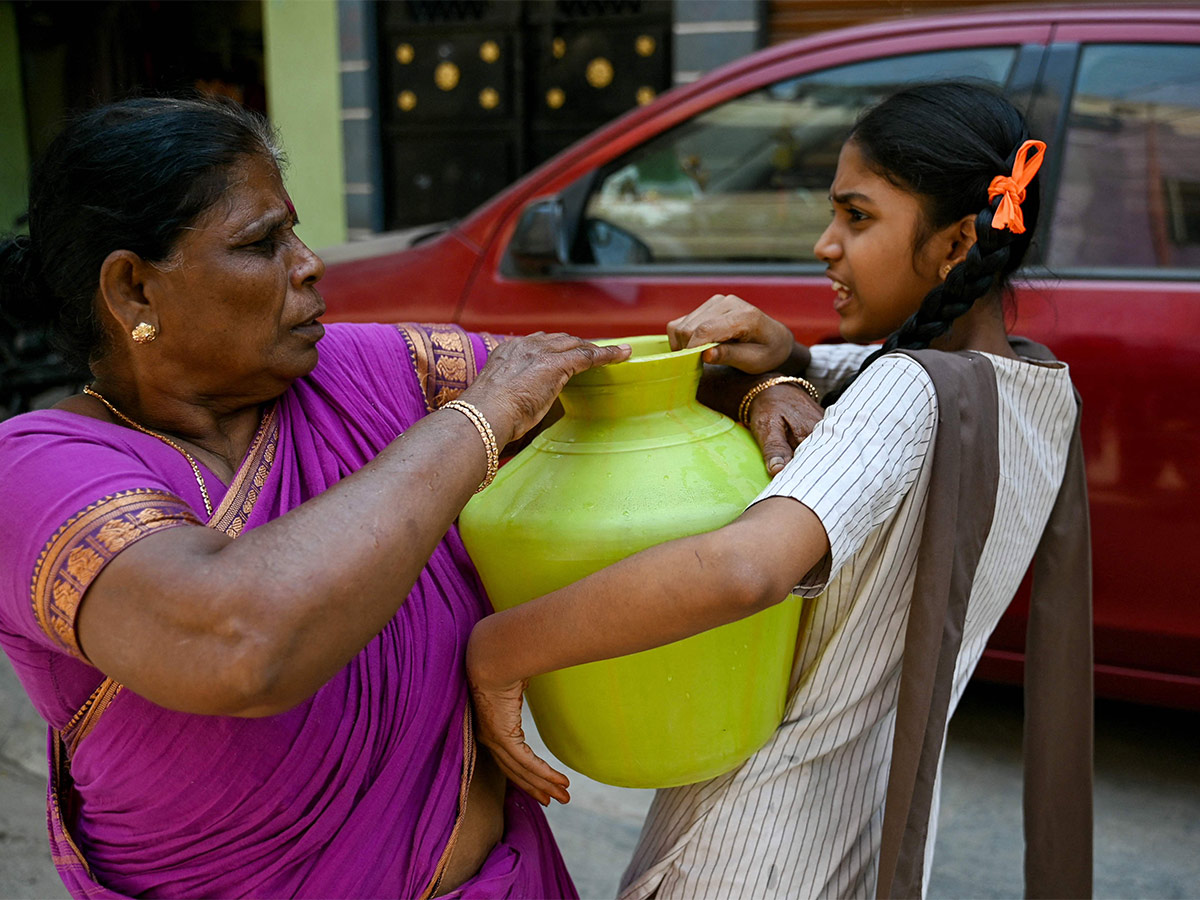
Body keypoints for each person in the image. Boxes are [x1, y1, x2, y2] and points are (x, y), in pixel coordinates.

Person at [466, 82, 1093, 898]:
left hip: (747, 846)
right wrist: (785, 362)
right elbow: (841, 386)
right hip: (870, 834)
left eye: (857, 217)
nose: (825, 244)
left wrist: (500, 649)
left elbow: (741, 571)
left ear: (958, 242)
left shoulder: (908, 391)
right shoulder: (1036, 392)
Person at [0, 96, 632, 898]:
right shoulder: (36, 469)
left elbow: (610, 388)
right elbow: (240, 640)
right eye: (261, 243)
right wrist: (479, 419)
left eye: (292, 231)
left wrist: (762, 383)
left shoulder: (363, 374)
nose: (309, 263)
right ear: (133, 292)